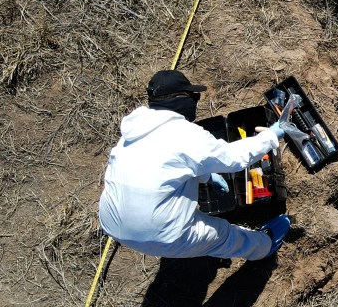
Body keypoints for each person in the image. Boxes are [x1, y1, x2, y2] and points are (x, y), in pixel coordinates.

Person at [98, 69, 290, 261]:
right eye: (194, 96)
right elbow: (234, 158)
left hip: (112, 225)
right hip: (163, 235)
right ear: (180, 98)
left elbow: (168, 165)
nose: (195, 101)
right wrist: (271, 135)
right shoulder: (185, 134)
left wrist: (206, 176)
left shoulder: (133, 133)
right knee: (223, 236)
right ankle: (265, 245)